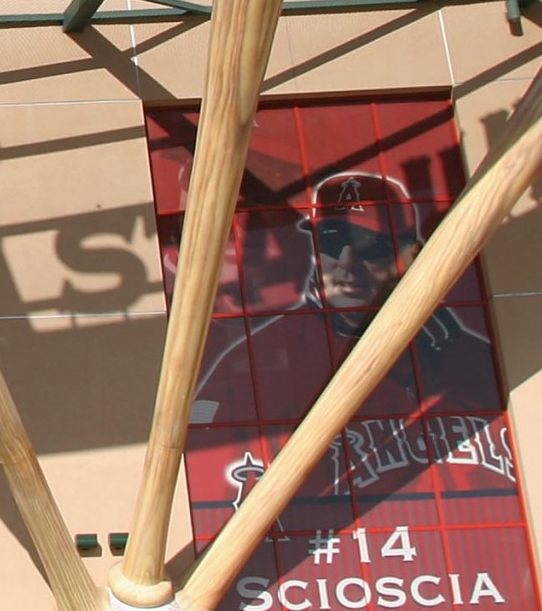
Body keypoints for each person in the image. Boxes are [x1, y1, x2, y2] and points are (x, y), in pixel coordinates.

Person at [190, 172, 510, 500]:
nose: (346, 263)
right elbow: (197, 446)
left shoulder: (463, 355)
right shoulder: (260, 355)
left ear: (411, 255)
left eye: (369, 246)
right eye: (330, 242)